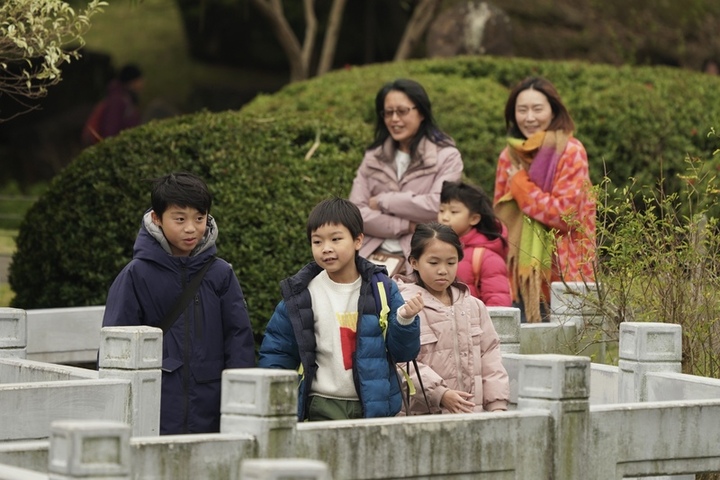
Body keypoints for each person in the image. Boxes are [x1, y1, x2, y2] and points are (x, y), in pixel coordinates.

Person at [102, 172, 255, 434]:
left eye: (200, 218)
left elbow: (239, 339)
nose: (191, 228)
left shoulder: (220, 274)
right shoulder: (136, 274)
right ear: (157, 218)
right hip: (154, 406)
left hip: (211, 407)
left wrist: (241, 400)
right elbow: (116, 347)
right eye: (180, 219)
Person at [258, 197, 424, 421]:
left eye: (336, 239)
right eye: (317, 242)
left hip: (374, 409)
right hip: (319, 404)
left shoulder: (382, 289)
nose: (326, 249)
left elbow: (404, 353)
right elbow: (277, 353)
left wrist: (404, 320)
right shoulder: (301, 294)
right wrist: (275, 404)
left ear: (358, 241)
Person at [493, 76, 596, 323]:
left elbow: (565, 215)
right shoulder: (509, 156)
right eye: (522, 110)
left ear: (553, 111)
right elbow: (500, 220)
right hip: (518, 275)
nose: (529, 118)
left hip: (565, 273)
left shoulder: (571, 151)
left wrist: (520, 185)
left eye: (537, 109)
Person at [349, 78, 464, 276]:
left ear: (421, 112)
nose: (394, 119)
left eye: (402, 111)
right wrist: (407, 224)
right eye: (388, 113)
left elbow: (436, 205)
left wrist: (385, 200)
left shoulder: (447, 156)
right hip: (369, 255)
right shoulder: (373, 157)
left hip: (419, 258)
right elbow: (356, 214)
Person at [394, 222, 509, 414]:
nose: (443, 270)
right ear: (414, 262)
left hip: (473, 414)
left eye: (450, 262)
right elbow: (399, 361)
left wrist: (497, 406)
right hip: (422, 418)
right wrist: (440, 394)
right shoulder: (403, 306)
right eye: (433, 262)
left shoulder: (474, 306)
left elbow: (490, 356)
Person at [438, 180, 511, 306]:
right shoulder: (433, 248)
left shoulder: (487, 258)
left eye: (454, 212)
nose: (445, 217)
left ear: (474, 218)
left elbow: (499, 305)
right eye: (441, 210)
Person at [82, 63, 144, 146]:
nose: (142, 84)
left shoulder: (126, 99)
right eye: (139, 80)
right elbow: (110, 129)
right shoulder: (118, 101)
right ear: (131, 82)